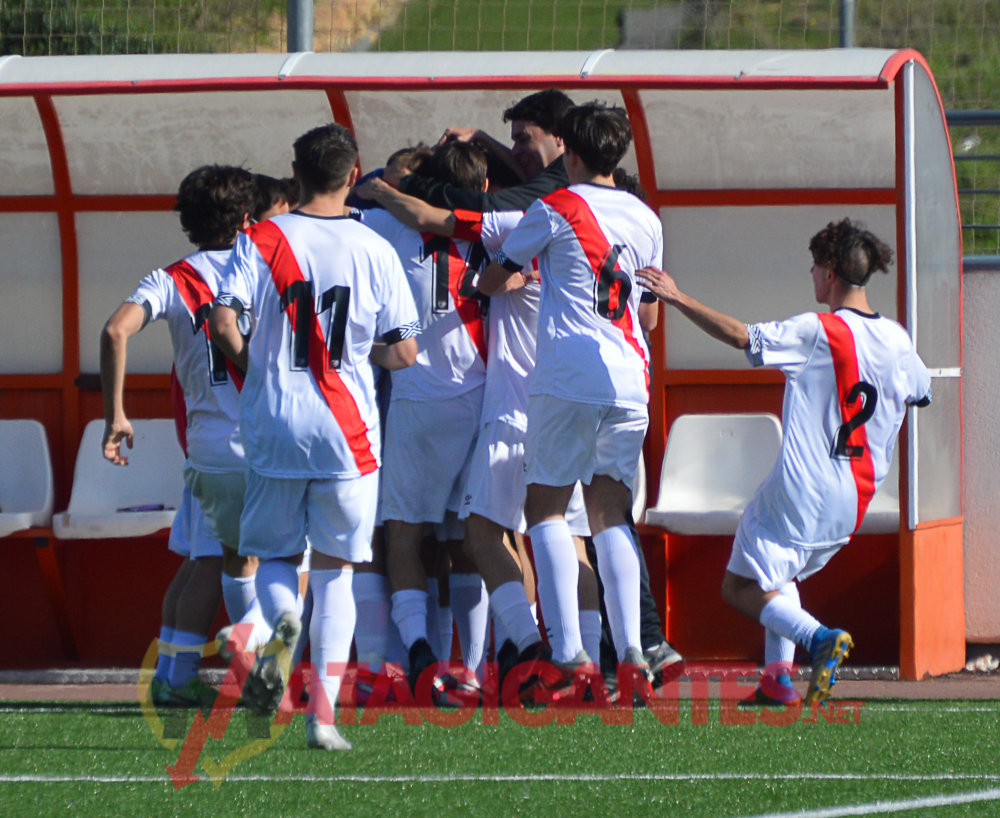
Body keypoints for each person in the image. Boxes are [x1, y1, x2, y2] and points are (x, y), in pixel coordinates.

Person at [636, 218, 932, 704]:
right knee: (778, 576)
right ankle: (777, 681)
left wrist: (677, 297)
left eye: (815, 267)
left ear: (831, 274)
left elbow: (741, 337)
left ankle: (817, 640)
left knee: (738, 587)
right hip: (854, 499)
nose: (812, 276)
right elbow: (921, 393)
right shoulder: (898, 340)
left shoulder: (818, 331)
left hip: (802, 489)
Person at [209, 123, 419, 750]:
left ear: (294, 173)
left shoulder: (262, 238)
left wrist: (261, 368)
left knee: (274, 558)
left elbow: (223, 324)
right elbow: (405, 351)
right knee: (336, 573)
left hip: (275, 420)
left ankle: (278, 628)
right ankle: (323, 718)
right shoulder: (375, 244)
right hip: (348, 430)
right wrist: (357, 354)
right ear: (354, 175)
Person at [482, 101, 663, 685]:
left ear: (572, 153)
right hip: (630, 378)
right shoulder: (645, 218)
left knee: (546, 509)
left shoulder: (555, 206)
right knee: (610, 514)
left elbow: (502, 268)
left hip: (568, 376)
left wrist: (485, 280)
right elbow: (651, 313)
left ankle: (569, 653)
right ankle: (632, 651)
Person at [101, 165, 258, 709]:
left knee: (202, 560)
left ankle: (174, 670)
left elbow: (115, 330)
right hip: (259, 442)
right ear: (246, 216)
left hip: (207, 443)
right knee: (234, 565)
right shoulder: (264, 267)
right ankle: (242, 675)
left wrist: (115, 413)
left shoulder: (170, 279)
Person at [361, 140, 492, 692]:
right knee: (474, 537)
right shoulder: (491, 226)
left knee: (402, 535)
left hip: (416, 394)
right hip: (481, 391)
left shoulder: (382, 227)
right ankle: (482, 665)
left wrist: (380, 183)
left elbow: (348, 196)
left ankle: (414, 651)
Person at [390, 89, 575, 213]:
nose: (515, 152)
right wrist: (481, 137)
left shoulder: (560, 182)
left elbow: (489, 205)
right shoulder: (569, 171)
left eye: (524, 139)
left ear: (558, 135)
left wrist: (408, 182)